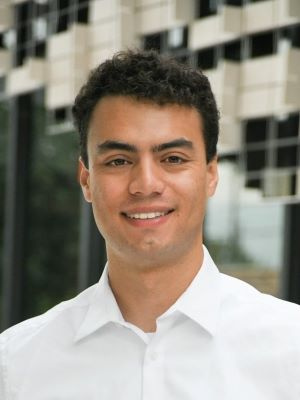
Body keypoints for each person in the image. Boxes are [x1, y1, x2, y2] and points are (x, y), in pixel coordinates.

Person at [0, 49, 300, 399]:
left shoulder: (291, 351)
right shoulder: (15, 365)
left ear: (211, 174)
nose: (145, 184)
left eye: (172, 158)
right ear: (86, 180)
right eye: (118, 161)